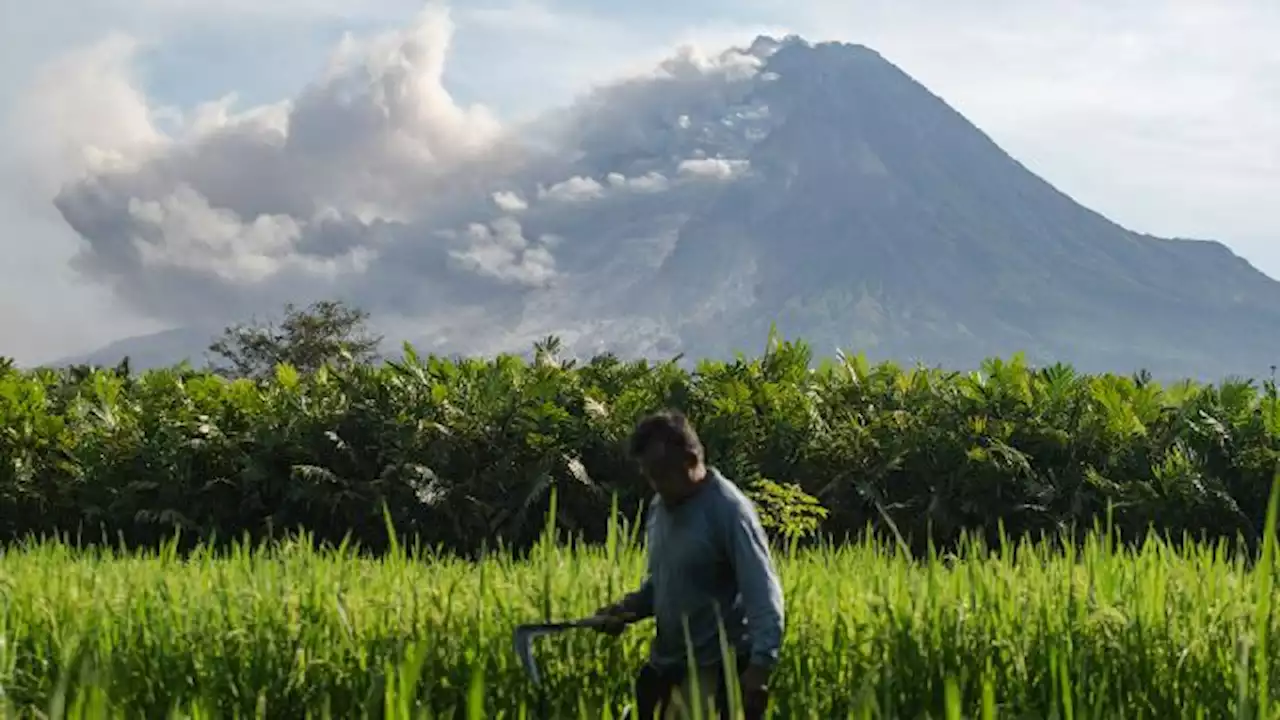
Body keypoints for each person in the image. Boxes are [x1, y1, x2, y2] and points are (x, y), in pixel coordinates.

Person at [593, 410, 785, 719]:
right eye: (649, 475)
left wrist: (761, 665)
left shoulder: (728, 510)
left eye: (662, 474)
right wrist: (626, 609)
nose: (655, 485)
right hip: (668, 668)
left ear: (691, 461)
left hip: (719, 671)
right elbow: (663, 583)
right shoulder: (659, 508)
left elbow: (762, 591)